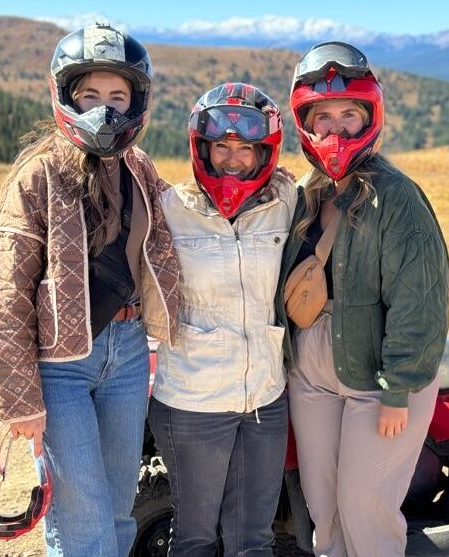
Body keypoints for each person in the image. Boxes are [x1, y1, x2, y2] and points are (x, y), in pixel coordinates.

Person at [0, 23, 179, 556]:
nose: (105, 109)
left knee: (117, 508)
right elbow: (6, 294)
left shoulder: (139, 170)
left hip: (131, 350)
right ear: (65, 95)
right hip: (60, 367)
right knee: (80, 516)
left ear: (137, 100)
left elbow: (180, 229)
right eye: (90, 94)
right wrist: (20, 399)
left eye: (118, 95)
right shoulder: (37, 176)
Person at [277, 42, 449, 557]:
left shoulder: (396, 197)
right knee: (323, 506)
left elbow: (420, 301)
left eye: (348, 115)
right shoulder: (309, 191)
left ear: (369, 116)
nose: (335, 129)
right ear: (305, 123)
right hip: (311, 370)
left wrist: (398, 389)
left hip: (377, 377)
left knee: (364, 507)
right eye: (322, 116)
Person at [147, 82, 296, 557]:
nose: (233, 159)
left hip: (265, 399)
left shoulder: (286, 204)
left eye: (246, 149)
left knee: (254, 539)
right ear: (201, 147)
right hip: (193, 401)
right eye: (221, 145)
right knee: (195, 537)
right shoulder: (167, 210)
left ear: (265, 152)